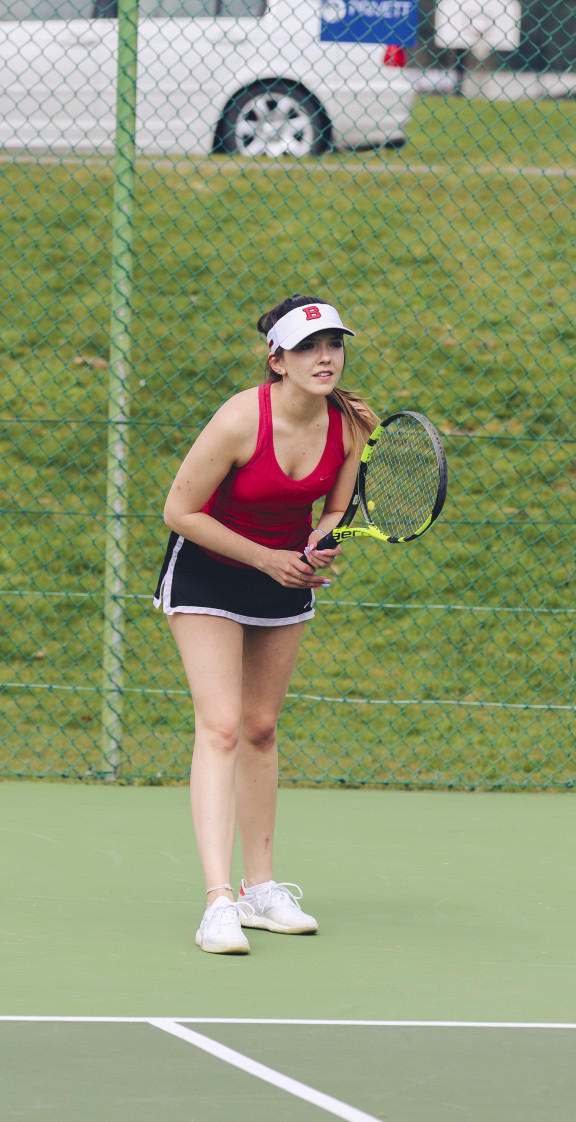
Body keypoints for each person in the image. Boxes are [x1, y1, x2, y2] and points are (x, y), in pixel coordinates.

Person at [154, 293, 377, 954]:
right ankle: (218, 903)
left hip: (285, 573)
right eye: (307, 347)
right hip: (209, 570)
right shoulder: (238, 420)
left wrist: (316, 548)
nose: (325, 357)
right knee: (220, 725)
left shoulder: (351, 425)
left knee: (260, 727)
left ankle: (260, 889)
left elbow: (335, 509)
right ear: (276, 359)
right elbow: (178, 510)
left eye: (333, 344)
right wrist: (266, 559)